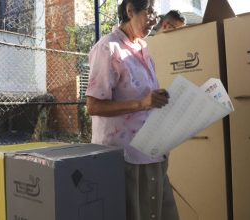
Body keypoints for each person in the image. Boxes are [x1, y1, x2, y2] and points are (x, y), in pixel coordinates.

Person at [85, 0, 179, 220]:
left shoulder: (143, 48)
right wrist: (141, 103)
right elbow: (93, 105)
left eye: (157, 15)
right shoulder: (108, 47)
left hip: (153, 151)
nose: (154, 21)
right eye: (150, 13)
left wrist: (157, 101)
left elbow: (146, 98)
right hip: (126, 158)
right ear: (130, 10)